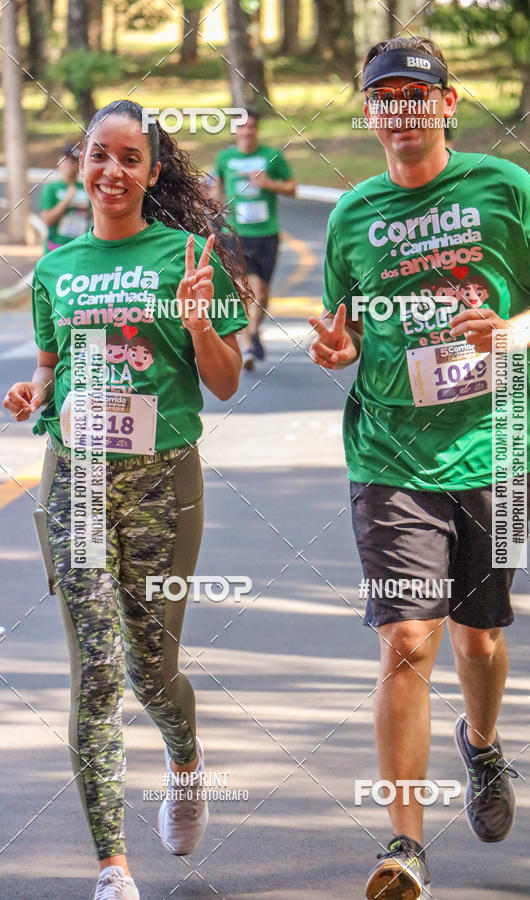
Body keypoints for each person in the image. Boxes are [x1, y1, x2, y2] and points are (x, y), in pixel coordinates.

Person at [309, 36, 530, 900]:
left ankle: (483, 743)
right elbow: (344, 325)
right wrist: (336, 345)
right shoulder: (350, 215)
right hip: (391, 453)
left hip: (499, 449)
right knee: (405, 639)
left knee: (480, 635)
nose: (399, 110)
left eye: (414, 94)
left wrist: (512, 334)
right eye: (382, 96)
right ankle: (404, 846)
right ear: (368, 112)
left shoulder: (501, 189)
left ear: (447, 103)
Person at [3, 99, 250, 900]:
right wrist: (33, 394)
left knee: (151, 669)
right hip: (74, 478)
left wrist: (198, 323)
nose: (112, 171)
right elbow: (51, 366)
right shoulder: (57, 268)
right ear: (81, 162)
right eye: (98, 156)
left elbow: (222, 382)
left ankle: (184, 761)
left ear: (150, 172)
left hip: (163, 483)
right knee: (98, 672)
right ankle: (113, 864)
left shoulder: (188, 258)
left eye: (130, 159)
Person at [214, 109, 296, 370]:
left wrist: (269, 184)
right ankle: (248, 345)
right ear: (235, 131)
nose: (247, 131)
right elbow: (217, 184)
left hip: (267, 233)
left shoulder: (272, 156)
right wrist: (216, 214)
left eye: (251, 127)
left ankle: (254, 329)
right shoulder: (225, 157)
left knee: (264, 292)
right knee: (250, 289)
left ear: (256, 130)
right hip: (236, 233)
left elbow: (292, 188)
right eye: (242, 127)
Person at [39, 143, 92, 253]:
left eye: (73, 161)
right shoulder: (51, 189)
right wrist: (67, 199)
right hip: (56, 248)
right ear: (60, 162)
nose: (69, 164)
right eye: (66, 160)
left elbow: (95, 217)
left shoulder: (87, 188)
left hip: (80, 248)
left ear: (79, 165)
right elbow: (47, 220)